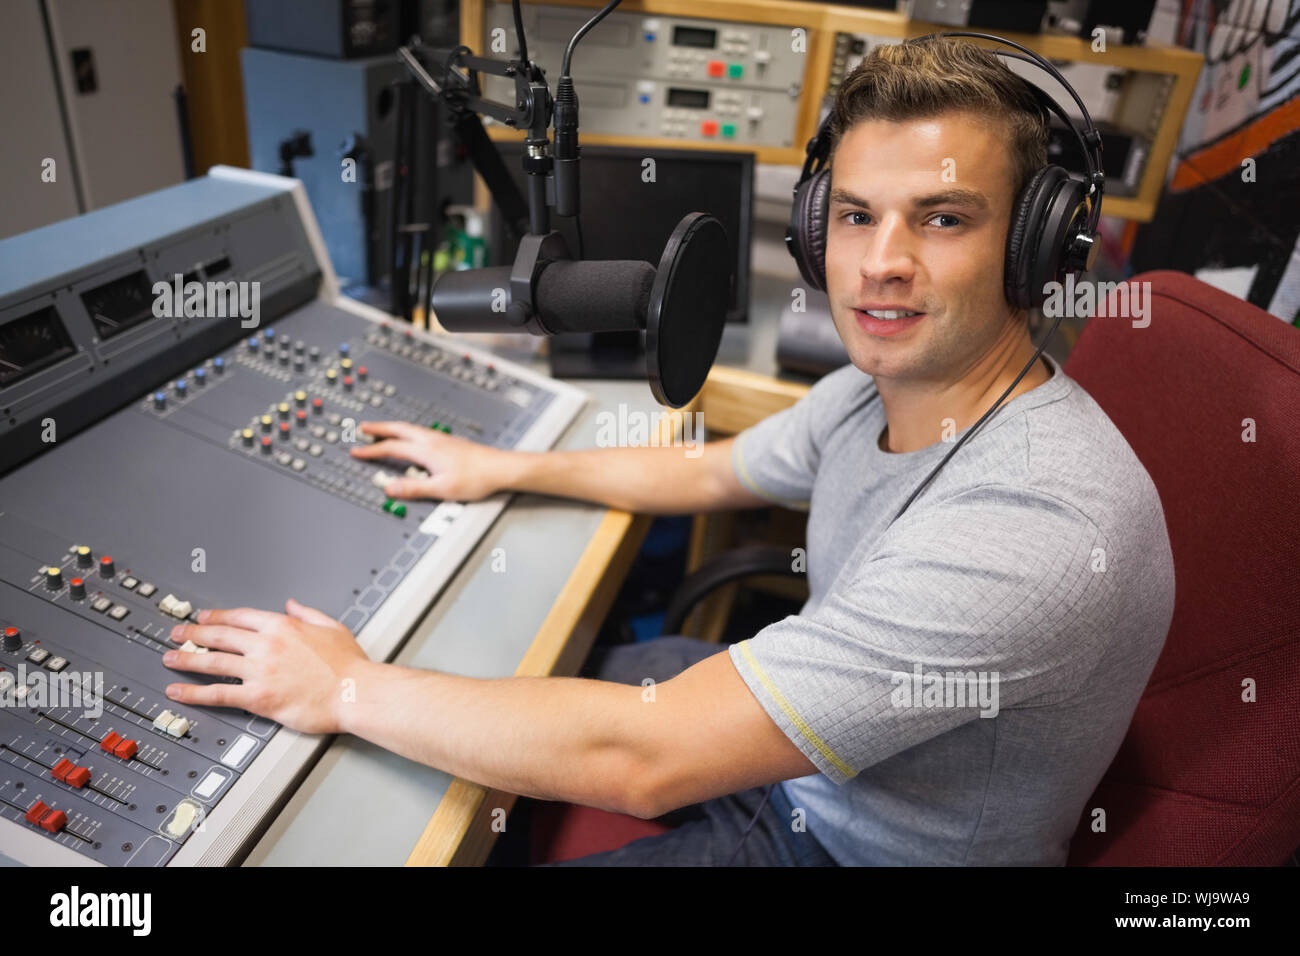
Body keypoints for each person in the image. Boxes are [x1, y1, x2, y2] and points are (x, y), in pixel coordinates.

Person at [162, 37, 1175, 866]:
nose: (881, 263)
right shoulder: (879, 388)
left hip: (845, 846)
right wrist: (505, 466)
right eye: (857, 215)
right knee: (476, 672)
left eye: (942, 219)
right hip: (804, 757)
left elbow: (646, 758)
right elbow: (706, 469)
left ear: (1039, 247)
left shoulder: (1031, 523)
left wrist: (342, 689)